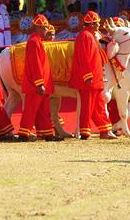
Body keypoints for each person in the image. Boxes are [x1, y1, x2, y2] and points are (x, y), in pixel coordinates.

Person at [70, 11, 113, 140]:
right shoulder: (85, 36)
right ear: (92, 24)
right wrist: (88, 76)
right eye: (97, 23)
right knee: (87, 107)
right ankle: (85, 132)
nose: (99, 25)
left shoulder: (92, 35)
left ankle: (104, 130)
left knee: (98, 105)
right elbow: (84, 58)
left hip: (96, 77)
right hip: (89, 78)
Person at [18, 15, 60, 141]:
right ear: (38, 28)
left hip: (41, 83)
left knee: (43, 110)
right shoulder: (34, 42)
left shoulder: (37, 41)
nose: (47, 31)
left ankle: (47, 134)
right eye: (45, 28)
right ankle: (23, 134)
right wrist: (39, 83)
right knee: (31, 109)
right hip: (36, 84)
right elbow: (35, 64)